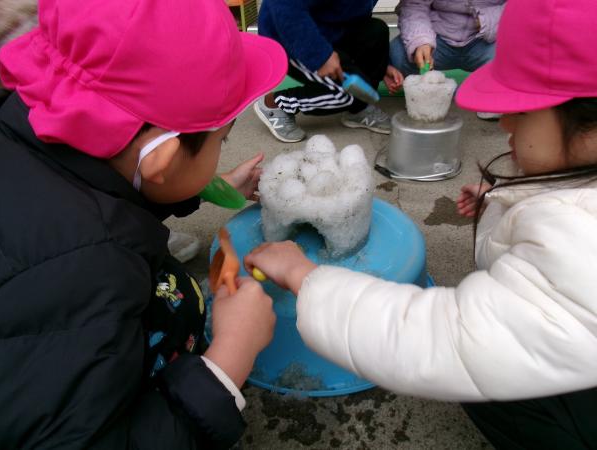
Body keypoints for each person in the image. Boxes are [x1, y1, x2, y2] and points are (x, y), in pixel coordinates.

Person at [244, 0, 597, 448]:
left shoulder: (581, 242)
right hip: (306, 42)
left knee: (489, 384)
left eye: (522, 111)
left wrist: (306, 278)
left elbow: (447, 340)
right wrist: (506, 199)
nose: (505, 121)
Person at [0, 0, 287, 447]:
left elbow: (112, 184)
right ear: (162, 161)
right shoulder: (88, 277)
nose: (222, 149)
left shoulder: (35, 132)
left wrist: (209, 188)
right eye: (222, 139)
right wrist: (229, 361)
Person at [254, 0, 403, 143]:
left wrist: (383, 65)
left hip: (329, 31)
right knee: (347, 93)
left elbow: (355, 11)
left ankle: (358, 109)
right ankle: (275, 103)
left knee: (377, 31)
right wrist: (320, 56)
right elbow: (283, 5)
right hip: (286, 37)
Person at [390, 0, 506, 119]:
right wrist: (420, 40)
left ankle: (493, 94)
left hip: (487, 38)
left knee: (510, 57)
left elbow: (517, 7)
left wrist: (488, 20)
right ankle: (430, 92)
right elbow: (415, 5)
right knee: (399, 53)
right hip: (438, 35)